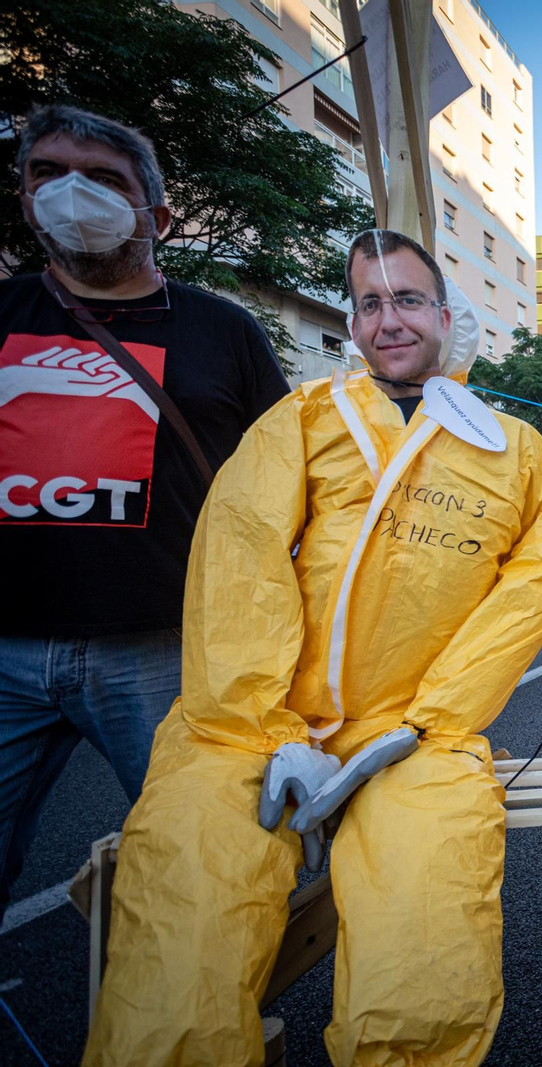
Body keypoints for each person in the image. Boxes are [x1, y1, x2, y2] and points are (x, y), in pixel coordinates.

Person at [83, 229, 542, 1067]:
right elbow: (239, 559)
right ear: (352, 323)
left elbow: (529, 596)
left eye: (408, 299)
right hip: (250, 729)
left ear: (447, 315)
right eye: (369, 303)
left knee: (426, 936)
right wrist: (263, 726)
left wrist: (430, 721)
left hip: (416, 736)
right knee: (184, 915)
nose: (389, 319)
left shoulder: (523, 458)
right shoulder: (304, 419)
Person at [0, 105, 288, 920]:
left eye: (102, 179)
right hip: (6, 648)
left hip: (164, 650)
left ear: (156, 216)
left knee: (203, 871)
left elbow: (286, 478)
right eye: (47, 173)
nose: (71, 193)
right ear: (24, 200)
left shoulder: (225, 331)